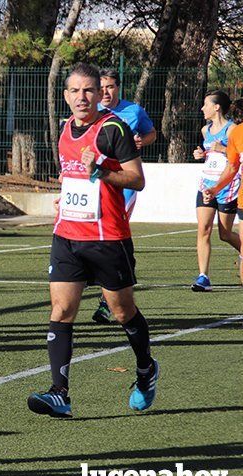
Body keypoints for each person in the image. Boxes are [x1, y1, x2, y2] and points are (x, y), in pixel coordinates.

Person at [27, 62, 159, 418]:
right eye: (75, 91)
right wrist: (66, 195)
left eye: (89, 90)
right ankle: (60, 393)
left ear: (100, 94)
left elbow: (136, 179)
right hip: (67, 233)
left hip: (107, 237)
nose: (82, 97)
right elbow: (73, 177)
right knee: (61, 309)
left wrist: (101, 169)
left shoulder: (112, 127)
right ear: (66, 95)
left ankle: (146, 369)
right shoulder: (65, 128)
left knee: (121, 311)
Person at [91, 69, 158, 323]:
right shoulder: (91, 112)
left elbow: (150, 133)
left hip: (124, 185)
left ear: (118, 88)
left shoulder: (133, 111)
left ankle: (107, 300)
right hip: (95, 183)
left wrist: (142, 141)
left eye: (110, 87)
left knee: (111, 236)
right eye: (102, 87)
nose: (105, 92)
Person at [191, 91, 239, 292]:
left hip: (226, 186)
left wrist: (223, 150)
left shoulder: (232, 130)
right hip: (206, 184)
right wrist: (201, 154)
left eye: (206, 104)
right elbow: (211, 155)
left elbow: (236, 158)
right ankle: (203, 276)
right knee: (204, 229)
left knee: (225, 234)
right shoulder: (205, 130)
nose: (203, 108)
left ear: (216, 107)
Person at [202, 99, 243, 282]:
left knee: (225, 234)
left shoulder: (232, 130)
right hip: (239, 197)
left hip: (234, 195)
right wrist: (215, 188)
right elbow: (233, 167)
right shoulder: (238, 133)